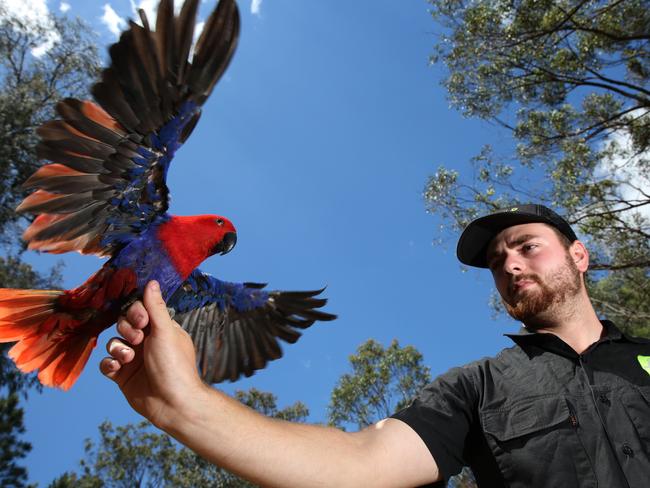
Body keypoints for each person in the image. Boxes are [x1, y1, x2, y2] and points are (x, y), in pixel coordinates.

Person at [101, 204, 650, 487]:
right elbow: (362, 465)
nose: (508, 264)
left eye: (527, 246)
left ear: (579, 256)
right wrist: (181, 403)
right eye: (495, 260)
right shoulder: (479, 387)